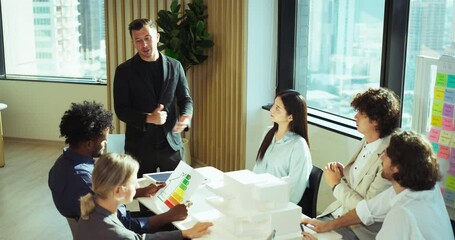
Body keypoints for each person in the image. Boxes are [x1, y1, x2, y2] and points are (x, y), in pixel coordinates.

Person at [48, 101, 187, 234]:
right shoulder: (84, 181)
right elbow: (124, 226)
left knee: (160, 214)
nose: (106, 142)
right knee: (176, 227)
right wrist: (168, 216)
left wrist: (140, 192)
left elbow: (102, 199)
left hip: (97, 228)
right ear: (89, 144)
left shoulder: (62, 165)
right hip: (115, 230)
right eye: (103, 140)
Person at [301, 130, 454, 240]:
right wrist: (327, 226)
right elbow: (366, 211)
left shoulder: (401, 214)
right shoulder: (422, 190)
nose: (381, 157)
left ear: (397, 168)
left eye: (386, 154)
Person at [113, 18, 193, 176]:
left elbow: (186, 99)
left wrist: (186, 116)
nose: (144, 45)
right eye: (138, 40)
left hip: (170, 145)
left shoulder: (175, 66)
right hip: (139, 147)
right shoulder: (124, 71)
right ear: (133, 42)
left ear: (157, 37)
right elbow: (121, 110)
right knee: (144, 196)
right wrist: (149, 118)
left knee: (174, 195)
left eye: (147, 38)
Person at [317, 88, 400, 239]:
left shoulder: (389, 158)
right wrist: (344, 176)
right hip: (336, 215)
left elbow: (368, 210)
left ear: (375, 120)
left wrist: (336, 185)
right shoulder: (367, 140)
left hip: (358, 230)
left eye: (361, 114)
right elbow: (359, 184)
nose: (355, 116)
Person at [77, 153, 213, 239]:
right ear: (118, 191)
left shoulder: (93, 205)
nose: (137, 186)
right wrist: (185, 233)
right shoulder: (116, 234)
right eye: (133, 182)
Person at [253, 90, 313, 204]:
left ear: (290, 117)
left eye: (277, 108)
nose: (271, 110)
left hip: (277, 205)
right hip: (258, 199)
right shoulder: (268, 133)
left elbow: (294, 191)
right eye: (273, 105)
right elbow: (257, 170)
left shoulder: (298, 145)